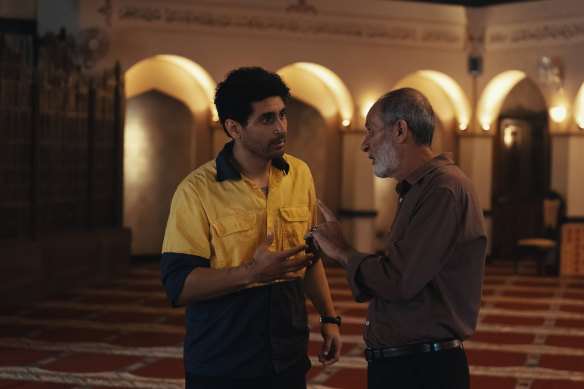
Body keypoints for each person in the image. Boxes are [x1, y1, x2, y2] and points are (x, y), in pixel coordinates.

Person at [161, 66, 341, 389]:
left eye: (283, 115)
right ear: (234, 128)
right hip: (222, 365)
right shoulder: (196, 191)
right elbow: (179, 285)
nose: (281, 128)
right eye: (266, 119)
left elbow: (309, 259)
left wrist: (329, 318)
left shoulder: (300, 175)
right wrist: (251, 273)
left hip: (287, 359)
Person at [308, 88, 486, 389]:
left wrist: (342, 251)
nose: (365, 144)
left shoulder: (443, 190)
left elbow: (399, 279)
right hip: (408, 364)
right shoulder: (418, 189)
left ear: (400, 130)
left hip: (424, 370)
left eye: (371, 131)